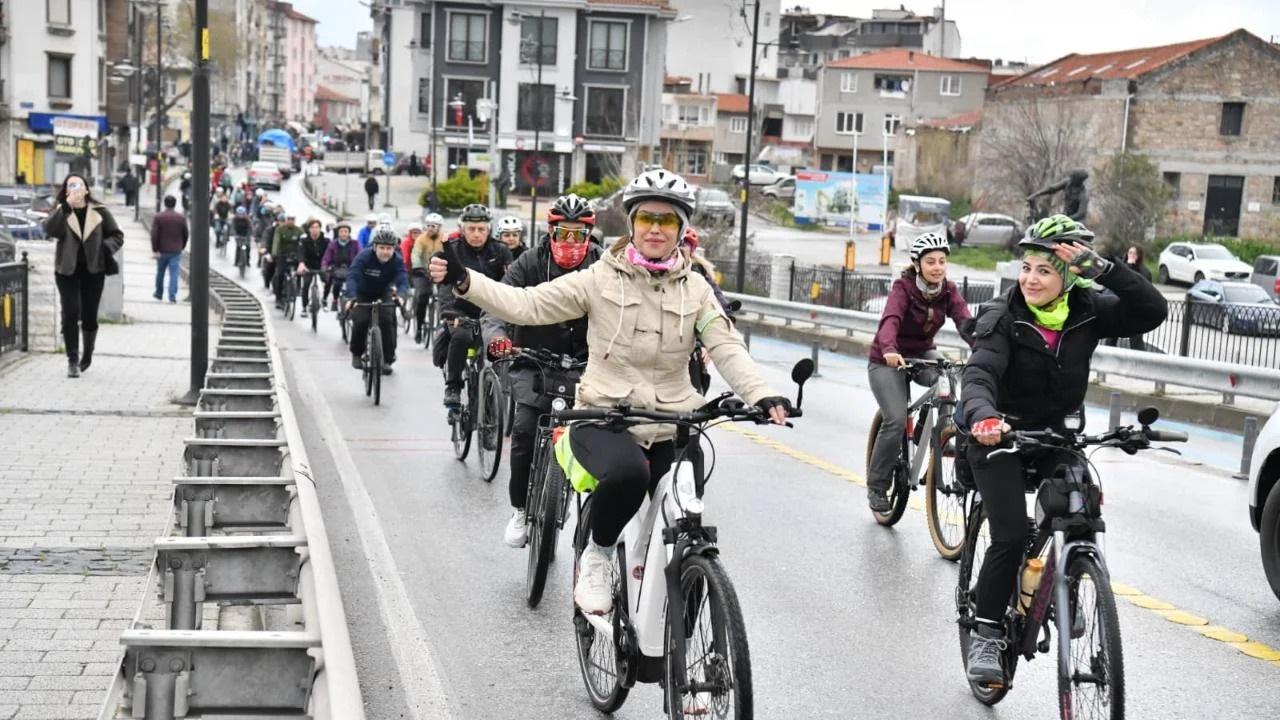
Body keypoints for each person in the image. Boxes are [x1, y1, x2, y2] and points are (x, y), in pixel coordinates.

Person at [430, 169, 792, 614]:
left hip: (672, 422)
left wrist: (762, 394)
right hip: (603, 417)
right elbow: (528, 304)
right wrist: (466, 281)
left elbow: (725, 343)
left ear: (681, 230)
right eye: (646, 220)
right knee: (628, 476)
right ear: (632, 225)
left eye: (667, 221)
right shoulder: (599, 277)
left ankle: (691, 612)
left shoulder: (697, 289)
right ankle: (597, 556)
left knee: (688, 513)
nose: (656, 229)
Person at [960, 215, 1166, 684]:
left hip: (1056, 437)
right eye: (1027, 267)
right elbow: (979, 375)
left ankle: (1068, 584)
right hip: (1000, 436)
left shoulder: (1087, 308)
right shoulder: (1001, 315)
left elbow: (1151, 311)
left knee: (1082, 507)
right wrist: (984, 417)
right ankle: (988, 631)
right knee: (1011, 536)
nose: (1031, 279)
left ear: (1069, 276)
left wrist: (1105, 269)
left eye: (1045, 270)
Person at [484, 194, 602, 548]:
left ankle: (594, 525)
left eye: (578, 235)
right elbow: (497, 303)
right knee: (522, 431)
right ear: (550, 233)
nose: (570, 243)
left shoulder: (603, 266)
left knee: (604, 443)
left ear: (590, 237)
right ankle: (520, 508)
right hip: (533, 359)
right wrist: (498, 338)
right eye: (563, 234)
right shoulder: (528, 263)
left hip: (589, 367)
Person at [865, 232, 974, 512]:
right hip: (886, 358)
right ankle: (877, 486)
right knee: (896, 417)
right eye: (930, 262)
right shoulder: (903, 288)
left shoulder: (948, 290)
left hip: (922, 353)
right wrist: (889, 349)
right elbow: (891, 320)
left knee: (946, 377)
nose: (937, 267)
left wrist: (983, 348)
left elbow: (965, 321)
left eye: (941, 261)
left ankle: (941, 437)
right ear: (917, 264)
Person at [42, 174, 124, 378]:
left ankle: (87, 354)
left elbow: (117, 235)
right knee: (70, 312)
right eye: (71, 186)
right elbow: (49, 229)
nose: (76, 189)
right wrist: (66, 207)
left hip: (93, 270)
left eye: (79, 185)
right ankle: (72, 360)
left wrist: (105, 247)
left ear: (86, 190)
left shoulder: (100, 211)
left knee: (89, 315)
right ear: (67, 190)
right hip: (66, 270)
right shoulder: (62, 210)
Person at [434, 203, 513, 407]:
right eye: (471, 229)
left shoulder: (501, 250)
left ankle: (500, 390)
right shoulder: (453, 250)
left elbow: (511, 284)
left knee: (503, 344)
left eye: (481, 229)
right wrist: (448, 313)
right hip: (460, 310)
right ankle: (453, 386)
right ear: (462, 229)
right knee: (461, 337)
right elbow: (444, 285)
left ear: (489, 229)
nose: (476, 234)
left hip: (491, 311)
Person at [344, 226, 407, 374]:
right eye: (382, 248)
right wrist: (351, 297)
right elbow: (352, 276)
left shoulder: (397, 260)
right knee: (360, 321)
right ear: (375, 247)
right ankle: (357, 353)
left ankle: (387, 359)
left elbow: (403, 279)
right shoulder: (364, 257)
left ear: (394, 249)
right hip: (362, 292)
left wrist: (402, 296)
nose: (385, 252)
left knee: (387, 321)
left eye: (389, 248)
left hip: (383, 292)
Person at [1103, 245, 1151, 352]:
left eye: (1134, 253)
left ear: (1139, 256)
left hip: (1135, 311)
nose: (1132, 256)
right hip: (1119, 308)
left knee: (1136, 341)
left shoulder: (1144, 271)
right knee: (1111, 337)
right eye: (1130, 253)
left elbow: (1141, 286)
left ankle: (1140, 363)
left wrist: (1131, 266)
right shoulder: (1122, 267)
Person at [409, 217, 445, 338]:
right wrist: (417, 267)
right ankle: (419, 327)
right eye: (428, 226)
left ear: (439, 227)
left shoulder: (444, 238)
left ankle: (445, 324)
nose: (430, 229)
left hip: (440, 270)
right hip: (423, 271)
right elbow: (416, 254)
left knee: (445, 296)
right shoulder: (421, 239)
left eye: (433, 226)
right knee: (422, 296)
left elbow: (450, 253)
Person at [150, 195, 189, 304]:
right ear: (175, 204)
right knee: (174, 273)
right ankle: (172, 296)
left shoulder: (159, 217)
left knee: (160, 272)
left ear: (165, 203)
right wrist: (182, 246)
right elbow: (185, 233)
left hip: (162, 250)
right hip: (176, 250)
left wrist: (155, 249)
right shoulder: (181, 218)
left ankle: (159, 293)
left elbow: (154, 234)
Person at [322, 220, 360, 311]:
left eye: (346, 231)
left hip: (351, 268)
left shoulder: (355, 243)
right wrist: (325, 266)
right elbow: (326, 257)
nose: (344, 234)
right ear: (338, 233)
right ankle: (334, 300)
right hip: (336, 268)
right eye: (341, 232)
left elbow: (360, 255)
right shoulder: (333, 244)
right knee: (335, 284)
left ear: (349, 233)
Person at [269, 213, 303, 307]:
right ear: (286, 220)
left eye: (292, 219)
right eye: (289, 219)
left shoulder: (298, 230)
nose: (290, 221)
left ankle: (297, 288)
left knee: (300, 271)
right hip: (282, 255)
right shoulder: (280, 229)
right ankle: (278, 298)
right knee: (279, 275)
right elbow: (276, 241)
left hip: (295, 255)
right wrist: (274, 253)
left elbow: (303, 241)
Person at [298, 219, 328, 315]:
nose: (315, 230)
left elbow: (329, 254)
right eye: (312, 227)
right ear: (309, 229)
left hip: (322, 265)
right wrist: (302, 263)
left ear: (320, 229)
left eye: (317, 227)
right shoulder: (304, 241)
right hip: (308, 266)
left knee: (328, 280)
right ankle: (304, 307)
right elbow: (300, 253)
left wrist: (328, 265)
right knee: (306, 284)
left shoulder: (326, 241)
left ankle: (324, 300)